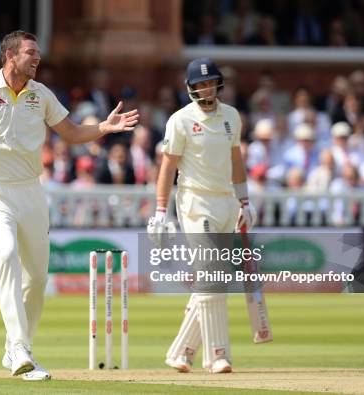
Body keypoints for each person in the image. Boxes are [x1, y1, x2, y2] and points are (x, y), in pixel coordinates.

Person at [0, 30, 138, 381]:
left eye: (37, 53)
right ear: (10, 55)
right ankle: (20, 349)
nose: (37, 58)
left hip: (31, 192)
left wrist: (104, 127)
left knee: (37, 278)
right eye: (30, 53)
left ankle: (16, 347)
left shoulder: (41, 94)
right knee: (5, 254)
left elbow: (69, 133)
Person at [147, 58, 256, 374]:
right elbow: (167, 167)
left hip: (226, 203)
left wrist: (244, 201)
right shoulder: (180, 121)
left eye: (210, 83)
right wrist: (159, 211)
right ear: (191, 88)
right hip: (195, 201)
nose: (206, 88)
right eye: (200, 84)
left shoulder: (232, 117)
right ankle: (217, 355)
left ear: (218, 84)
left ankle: (181, 351)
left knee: (211, 279)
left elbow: (236, 160)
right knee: (213, 275)